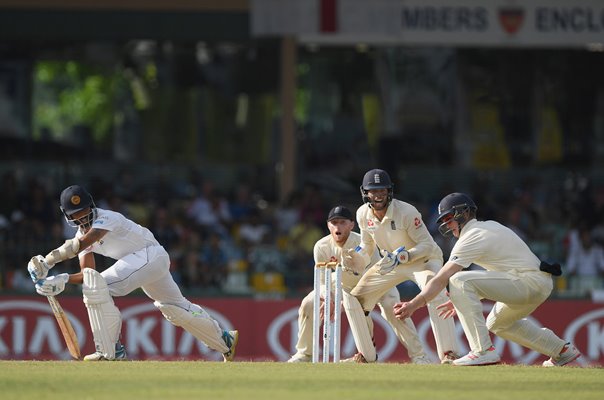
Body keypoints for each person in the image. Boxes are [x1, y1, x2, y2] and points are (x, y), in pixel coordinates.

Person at [27, 185, 238, 361]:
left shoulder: (106, 218)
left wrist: (48, 261)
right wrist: (62, 279)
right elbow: (89, 274)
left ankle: (111, 351)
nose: (83, 219)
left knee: (97, 288)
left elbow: (82, 245)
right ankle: (224, 341)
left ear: (92, 206)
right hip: (147, 263)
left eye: (85, 212)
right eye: (76, 216)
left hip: (149, 255)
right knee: (175, 309)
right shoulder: (81, 236)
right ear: (68, 217)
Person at [393, 192, 582, 367]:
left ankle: (482, 350)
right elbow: (500, 275)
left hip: (528, 282)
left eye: (449, 219)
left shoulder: (471, 236)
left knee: (459, 279)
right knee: (496, 323)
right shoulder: (489, 226)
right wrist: (459, 298)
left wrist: (413, 305)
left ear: (463, 214)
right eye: (444, 221)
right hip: (535, 283)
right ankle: (561, 350)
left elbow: (442, 277)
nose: (447, 225)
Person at [287, 205, 431, 364]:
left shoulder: (362, 243)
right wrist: (329, 298)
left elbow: (373, 278)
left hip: (378, 281)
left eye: (342, 222)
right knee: (309, 302)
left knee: (392, 308)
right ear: (328, 225)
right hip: (342, 282)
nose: (338, 227)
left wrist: (348, 301)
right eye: (334, 223)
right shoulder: (321, 246)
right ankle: (304, 354)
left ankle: (419, 356)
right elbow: (321, 281)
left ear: (351, 225)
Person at [346, 169, 461, 363]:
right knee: (356, 299)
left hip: (423, 259)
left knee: (435, 291)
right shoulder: (362, 214)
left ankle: (449, 353)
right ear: (365, 192)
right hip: (391, 261)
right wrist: (357, 257)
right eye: (373, 191)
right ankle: (366, 354)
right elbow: (367, 245)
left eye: (382, 190)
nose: (378, 195)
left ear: (389, 191)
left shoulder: (406, 212)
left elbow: (426, 244)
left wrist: (407, 255)